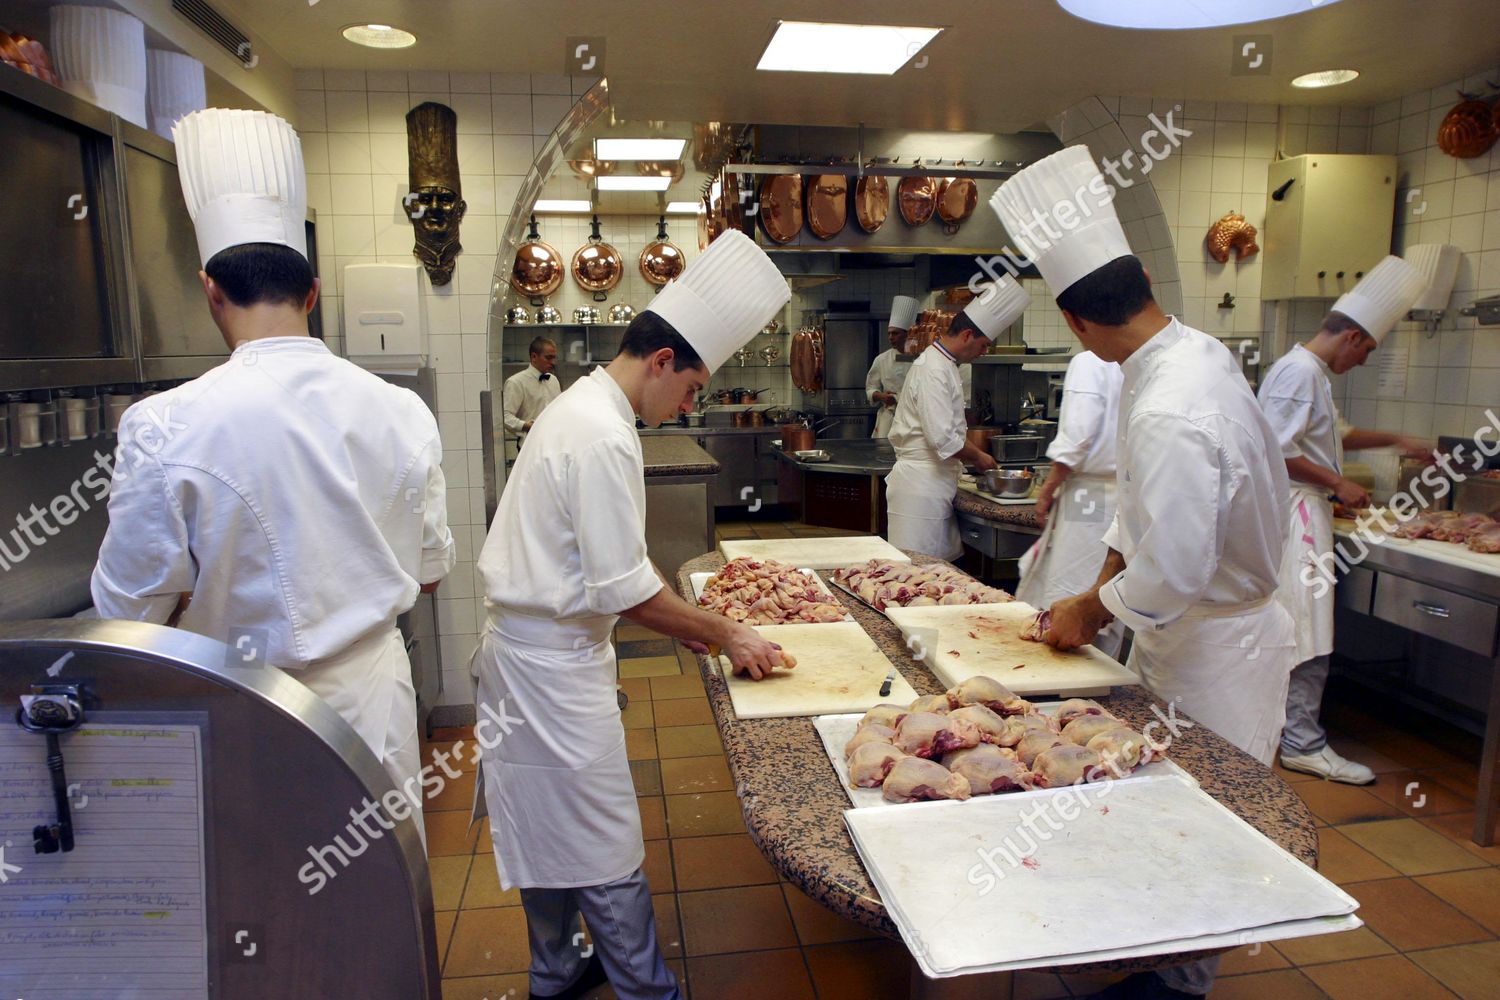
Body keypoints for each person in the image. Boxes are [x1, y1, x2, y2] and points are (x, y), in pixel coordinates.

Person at [91, 109, 455, 834]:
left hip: (245, 707)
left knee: (269, 921)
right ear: (313, 293)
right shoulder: (402, 410)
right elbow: (429, 574)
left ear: (210, 291)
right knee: (379, 908)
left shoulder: (164, 423)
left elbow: (125, 612)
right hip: (373, 703)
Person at [993, 145, 1295, 1000]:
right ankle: (1155, 956)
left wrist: (1089, 607)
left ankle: (1178, 984)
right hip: (1192, 636)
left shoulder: (1168, 402)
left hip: (1215, 651)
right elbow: (1142, 514)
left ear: (1079, 321)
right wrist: (1104, 581)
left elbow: (1172, 576)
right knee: (1164, 814)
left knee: (1206, 825)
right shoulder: (1184, 354)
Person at [472, 230, 791, 1000]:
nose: (687, 404)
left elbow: (614, 570)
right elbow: (629, 591)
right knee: (602, 837)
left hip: (527, 658)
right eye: (689, 389)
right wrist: (728, 633)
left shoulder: (583, 406)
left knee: (543, 828)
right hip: (549, 672)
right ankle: (649, 991)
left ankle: (555, 971)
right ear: (660, 363)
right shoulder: (602, 432)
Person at [1258, 255, 1429, 785]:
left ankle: (1285, 732)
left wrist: (1397, 440)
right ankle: (1302, 743)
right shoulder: (1298, 373)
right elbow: (1276, 448)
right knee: (1307, 629)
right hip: (1295, 518)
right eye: (1368, 350)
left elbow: (1336, 436)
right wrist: (1337, 483)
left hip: (1303, 514)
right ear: (1352, 336)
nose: (1363, 362)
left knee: (1304, 626)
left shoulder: (1307, 374)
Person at [885, 281, 1030, 558]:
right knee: (917, 574)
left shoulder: (944, 364)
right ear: (966, 335)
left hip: (933, 484)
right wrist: (980, 457)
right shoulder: (933, 369)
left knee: (938, 574)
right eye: (984, 344)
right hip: (920, 489)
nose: (984, 352)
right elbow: (942, 438)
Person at [1016, 349, 1126, 658]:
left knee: (1073, 591)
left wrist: (1048, 488)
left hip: (1087, 497)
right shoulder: (1131, 360)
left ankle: (1064, 687)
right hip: (1121, 493)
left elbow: (1078, 437)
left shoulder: (1090, 361)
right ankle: (1098, 683)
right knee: (1105, 598)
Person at [865, 294, 921, 437]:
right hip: (889, 418)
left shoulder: (922, 358)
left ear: (907, 334)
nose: (890, 337)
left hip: (914, 420)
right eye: (889, 333)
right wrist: (881, 396)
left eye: (895, 333)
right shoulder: (882, 359)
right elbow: (871, 388)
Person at [503, 336, 562, 450]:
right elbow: (505, 417)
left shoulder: (553, 380)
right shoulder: (516, 382)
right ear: (534, 357)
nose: (553, 362)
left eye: (554, 358)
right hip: (529, 447)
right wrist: (527, 426)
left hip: (553, 445)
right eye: (548, 358)